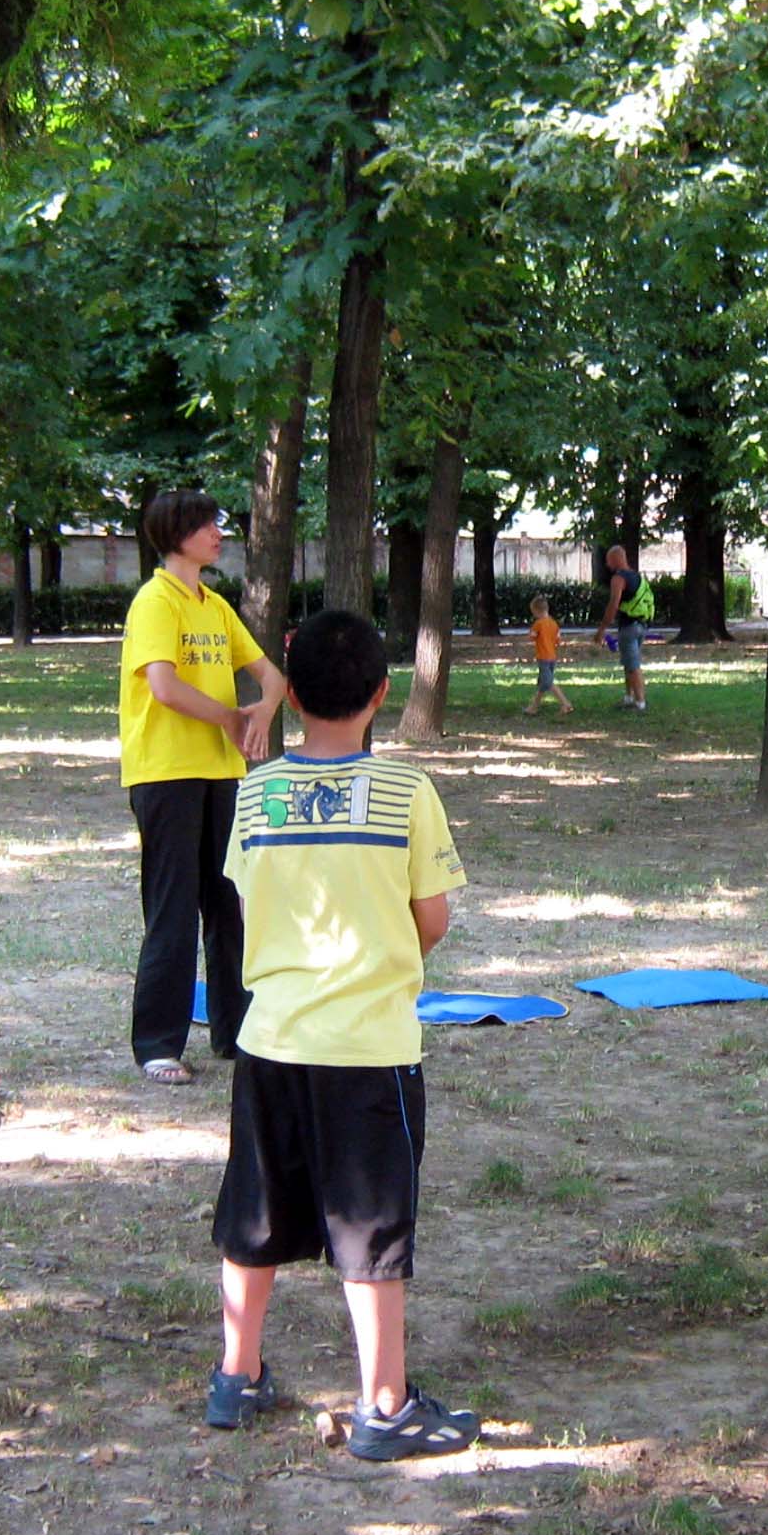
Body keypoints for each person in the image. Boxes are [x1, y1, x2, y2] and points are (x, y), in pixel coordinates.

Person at [205, 609, 479, 1460]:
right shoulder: (408, 795)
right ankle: (384, 1406)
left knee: (254, 1209)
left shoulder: (254, 795)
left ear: (291, 694)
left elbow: (247, 903)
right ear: (381, 693)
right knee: (371, 1227)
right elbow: (432, 919)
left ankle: (236, 1376)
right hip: (369, 1051)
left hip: (270, 1041)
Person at [121, 492, 284, 1086]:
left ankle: (235, 1030)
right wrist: (231, 718)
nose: (218, 534)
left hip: (221, 773)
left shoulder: (214, 605)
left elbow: (271, 675)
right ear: (176, 535)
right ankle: (158, 1044)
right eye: (206, 525)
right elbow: (163, 687)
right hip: (165, 773)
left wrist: (262, 711)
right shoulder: (155, 601)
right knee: (173, 910)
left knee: (228, 904)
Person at [592, 544, 650, 712]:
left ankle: (640, 702)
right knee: (628, 662)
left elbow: (613, 605)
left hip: (628, 627)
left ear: (616, 559)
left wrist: (602, 630)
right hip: (641, 625)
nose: (607, 564)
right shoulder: (637, 577)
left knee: (632, 665)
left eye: (609, 560)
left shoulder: (618, 579)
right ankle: (629, 697)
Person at [521, 593, 572, 718]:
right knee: (543, 684)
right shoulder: (554, 624)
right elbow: (558, 640)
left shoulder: (538, 624)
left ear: (536, 611)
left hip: (543, 657)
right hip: (552, 657)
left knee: (548, 683)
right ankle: (533, 707)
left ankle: (565, 703)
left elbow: (532, 637)